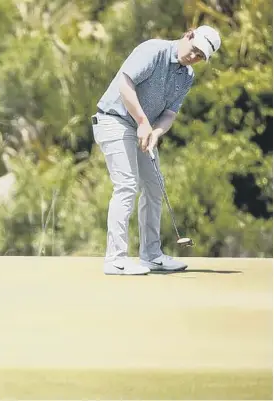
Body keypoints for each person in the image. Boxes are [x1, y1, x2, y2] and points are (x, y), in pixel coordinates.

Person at [91, 25, 221, 275]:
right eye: (194, 50)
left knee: (154, 186)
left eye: (200, 57)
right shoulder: (153, 50)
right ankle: (115, 259)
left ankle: (151, 256)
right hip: (114, 120)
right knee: (127, 185)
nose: (193, 57)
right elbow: (125, 83)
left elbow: (169, 113)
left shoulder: (187, 76)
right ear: (188, 34)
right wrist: (142, 122)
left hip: (144, 127)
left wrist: (155, 132)